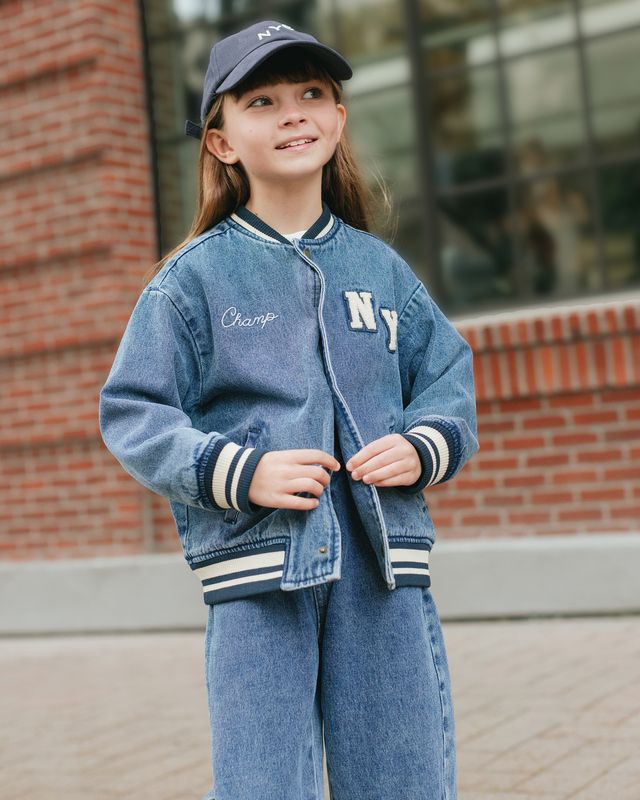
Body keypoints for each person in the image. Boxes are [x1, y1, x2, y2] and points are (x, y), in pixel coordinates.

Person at [98, 19, 479, 800]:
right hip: (259, 575)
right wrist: (240, 471)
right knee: (263, 782)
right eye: (263, 100)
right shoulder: (192, 284)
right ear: (222, 142)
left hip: (383, 573)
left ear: (338, 120)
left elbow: (448, 378)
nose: (294, 112)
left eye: (312, 94)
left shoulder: (380, 269)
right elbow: (134, 411)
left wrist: (424, 444)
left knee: (402, 773)